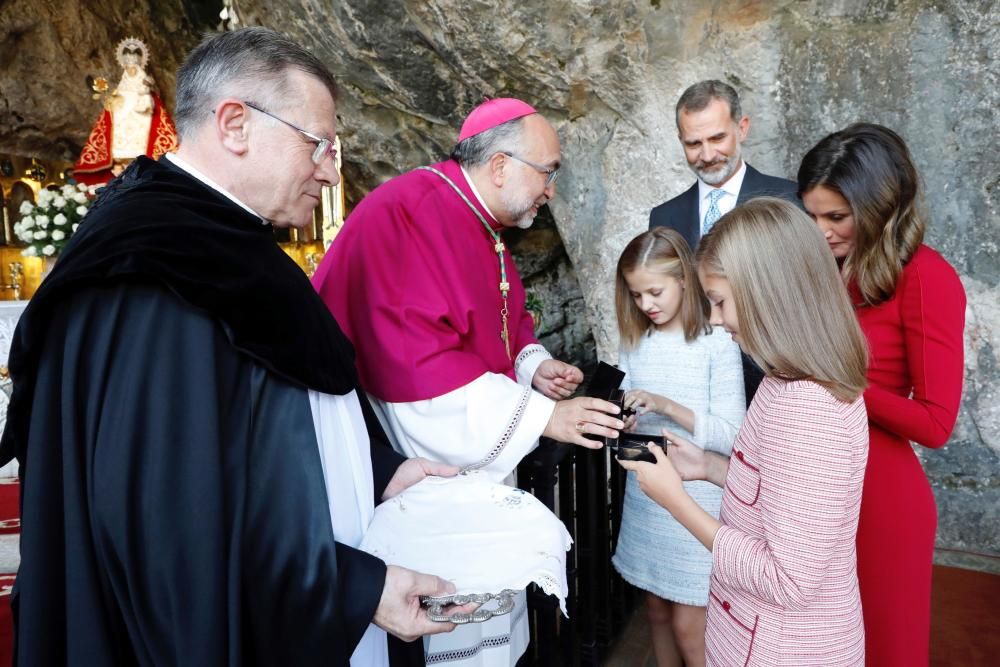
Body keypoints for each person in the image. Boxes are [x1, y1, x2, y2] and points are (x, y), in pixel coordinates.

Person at [0, 27, 466, 666]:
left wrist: (382, 473)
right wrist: (356, 587)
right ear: (236, 124)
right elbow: (166, 525)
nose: (331, 169)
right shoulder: (156, 273)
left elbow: (265, 423)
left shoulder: (222, 243)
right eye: (319, 144)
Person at [313, 98, 624, 666]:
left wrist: (532, 365)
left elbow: (496, 321)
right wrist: (545, 417)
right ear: (501, 165)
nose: (551, 189)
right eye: (547, 172)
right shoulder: (410, 214)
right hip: (411, 455)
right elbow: (416, 366)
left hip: (476, 435)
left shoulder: (477, 217)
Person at [620, 198, 870, 666]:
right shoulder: (787, 378)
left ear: (767, 293)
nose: (714, 318)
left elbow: (787, 580)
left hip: (783, 648)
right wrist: (712, 467)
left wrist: (675, 499)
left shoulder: (809, 408)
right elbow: (777, 491)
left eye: (719, 301)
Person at [798, 123, 966, 667]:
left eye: (836, 217)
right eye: (812, 216)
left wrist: (840, 383)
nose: (821, 232)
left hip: (881, 502)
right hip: (820, 490)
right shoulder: (835, 267)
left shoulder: (926, 277)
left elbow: (937, 424)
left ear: (880, 207)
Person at [610, 228, 745, 667]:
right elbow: (628, 417)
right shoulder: (634, 341)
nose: (646, 304)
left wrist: (669, 405)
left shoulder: (717, 342)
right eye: (635, 294)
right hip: (647, 496)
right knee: (656, 612)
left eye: (655, 291)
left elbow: (732, 433)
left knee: (692, 625)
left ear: (684, 281)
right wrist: (622, 418)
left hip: (698, 499)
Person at [649, 80, 798, 405]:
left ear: (741, 128)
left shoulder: (791, 200)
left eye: (718, 138)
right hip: (695, 397)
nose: (707, 155)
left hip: (778, 384)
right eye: (693, 143)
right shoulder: (663, 217)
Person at [74, 37, 179, 185]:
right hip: (125, 106)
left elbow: (146, 85)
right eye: (128, 61)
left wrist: (144, 88)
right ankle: (121, 160)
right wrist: (112, 99)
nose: (130, 64)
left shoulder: (141, 74)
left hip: (140, 106)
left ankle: (139, 157)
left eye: (133, 60)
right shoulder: (125, 76)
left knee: (141, 128)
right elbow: (122, 88)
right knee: (118, 124)